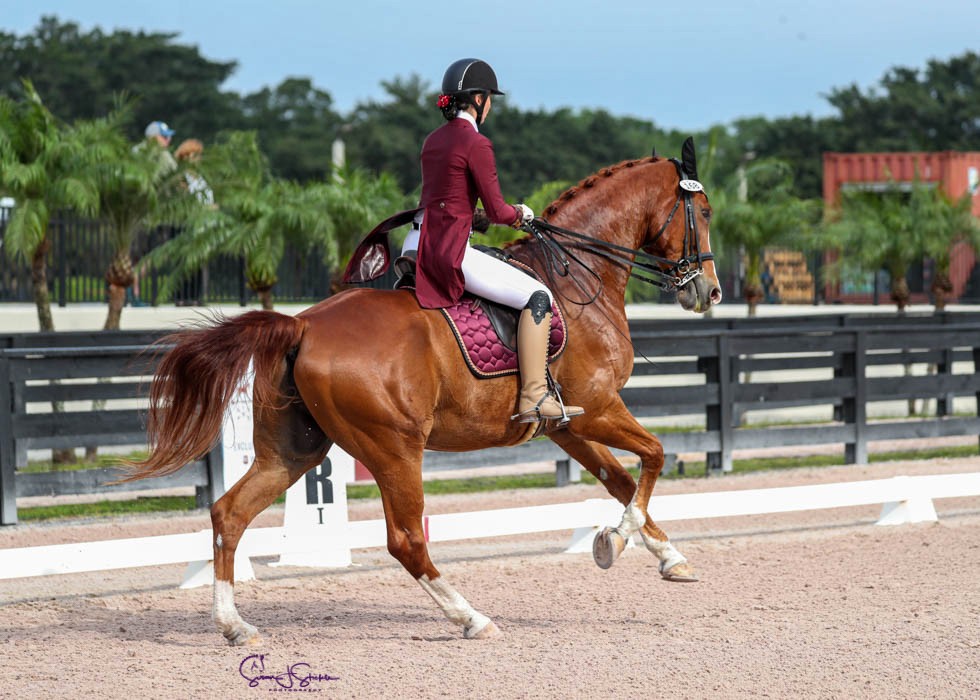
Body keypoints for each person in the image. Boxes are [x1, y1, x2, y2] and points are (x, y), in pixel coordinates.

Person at [413, 58, 583, 424]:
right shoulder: (476, 143)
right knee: (538, 296)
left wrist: (475, 217)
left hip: (418, 244)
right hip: (451, 251)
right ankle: (535, 396)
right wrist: (521, 213)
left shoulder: (433, 141)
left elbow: (446, 197)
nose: (490, 105)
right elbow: (498, 209)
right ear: (477, 99)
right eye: (489, 98)